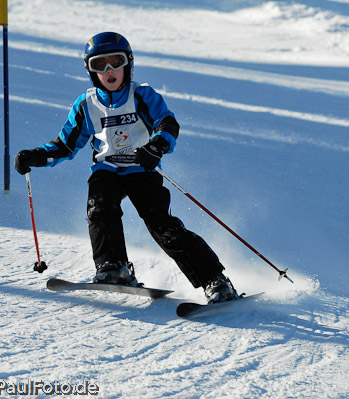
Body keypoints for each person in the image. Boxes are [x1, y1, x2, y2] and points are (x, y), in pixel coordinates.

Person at [15, 32, 238, 303]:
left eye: (115, 62)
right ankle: (113, 267)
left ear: (128, 64)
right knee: (100, 208)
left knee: (161, 226)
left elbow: (167, 124)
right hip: (106, 169)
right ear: (90, 70)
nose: (109, 71)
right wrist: (36, 156)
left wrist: (156, 146)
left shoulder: (142, 95)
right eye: (100, 64)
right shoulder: (86, 104)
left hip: (140, 168)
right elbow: (66, 144)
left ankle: (214, 279)